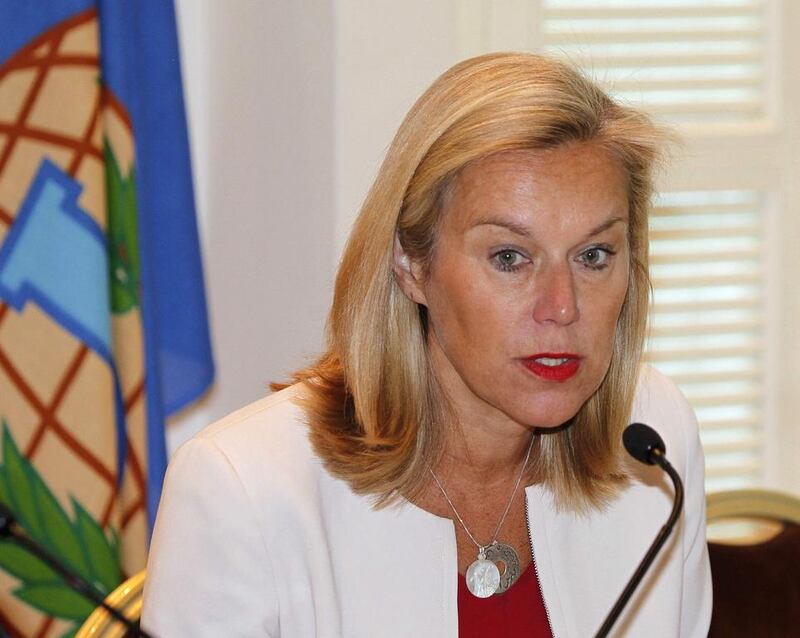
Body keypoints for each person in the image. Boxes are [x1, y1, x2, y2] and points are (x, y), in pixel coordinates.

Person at [141, 52, 712, 637]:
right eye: (510, 258)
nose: (562, 308)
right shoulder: (242, 488)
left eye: (593, 256)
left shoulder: (654, 441)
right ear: (411, 265)